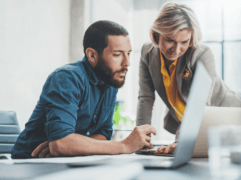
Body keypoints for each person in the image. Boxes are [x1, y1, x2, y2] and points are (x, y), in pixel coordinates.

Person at [11, 20, 156, 159]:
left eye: (128, 53)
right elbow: (60, 144)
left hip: (68, 162)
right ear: (92, 55)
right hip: (28, 162)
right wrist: (124, 146)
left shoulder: (109, 81)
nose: (127, 63)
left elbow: (103, 134)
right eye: (117, 54)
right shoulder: (67, 78)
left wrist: (72, 146)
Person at [136, 2, 241, 154]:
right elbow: (145, 98)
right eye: (170, 40)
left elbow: (200, 105)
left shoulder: (201, 54)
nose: (176, 49)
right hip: (189, 124)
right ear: (156, 34)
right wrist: (142, 140)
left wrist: (181, 141)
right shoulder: (147, 54)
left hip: (227, 118)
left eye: (184, 42)